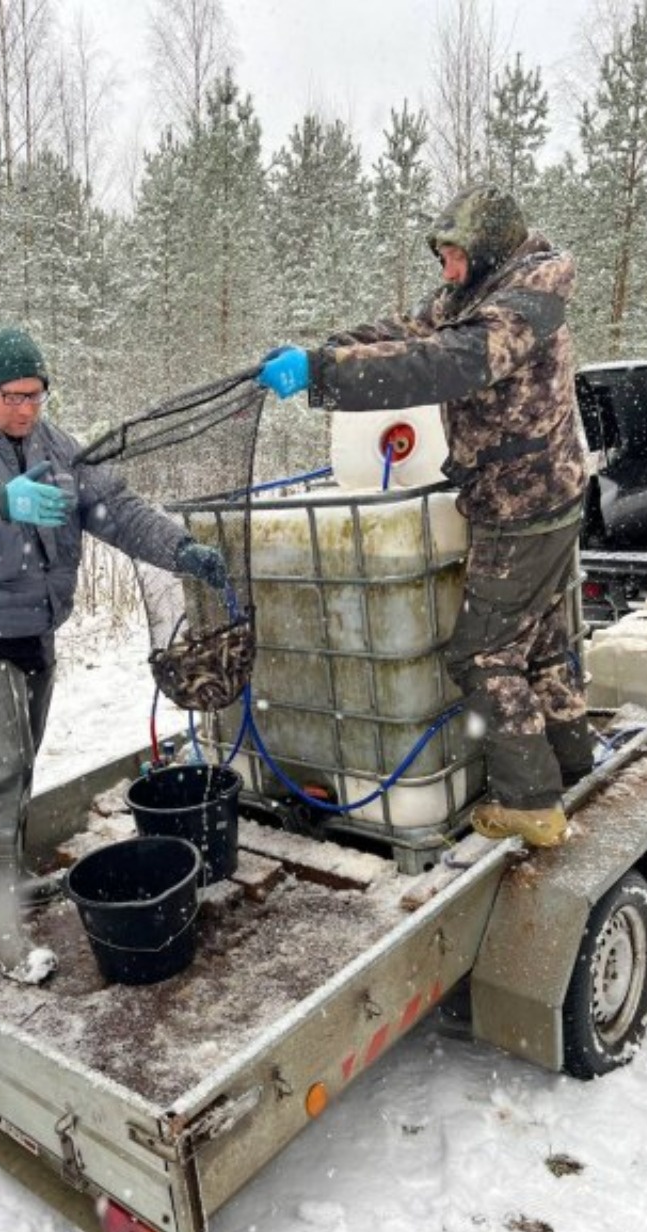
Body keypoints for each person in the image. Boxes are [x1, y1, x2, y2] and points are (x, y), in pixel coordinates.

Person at [0, 325, 226, 982]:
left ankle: (7, 880)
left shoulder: (50, 442)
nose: (28, 409)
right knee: (1, 773)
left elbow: (113, 508)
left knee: (21, 766)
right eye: (14, 396)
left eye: (37, 394)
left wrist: (180, 551)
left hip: (33, 629)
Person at [256, 184, 592, 849]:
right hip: (540, 498)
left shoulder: (523, 305)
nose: (446, 269)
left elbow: (444, 363)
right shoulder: (471, 295)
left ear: (490, 250)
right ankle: (571, 758)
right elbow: (409, 332)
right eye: (441, 255)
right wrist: (328, 349)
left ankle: (531, 803)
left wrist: (327, 376)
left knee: (485, 654)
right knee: (540, 641)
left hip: (523, 505)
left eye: (456, 255)